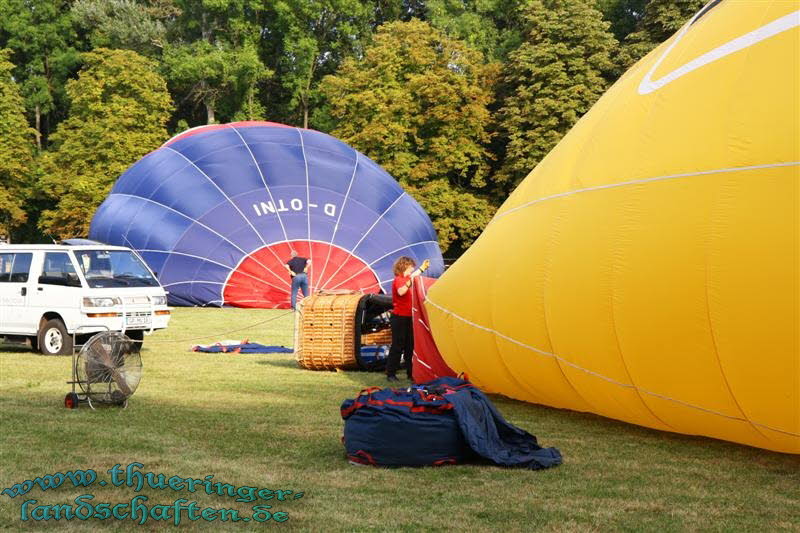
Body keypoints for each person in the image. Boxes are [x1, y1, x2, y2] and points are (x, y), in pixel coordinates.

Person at [386, 256, 429, 382]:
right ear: (405, 266)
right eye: (411, 267)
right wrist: (411, 280)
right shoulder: (399, 280)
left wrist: (422, 268)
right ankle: (391, 374)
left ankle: (411, 373)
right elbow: (401, 291)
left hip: (410, 317)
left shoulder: (406, 279)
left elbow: (413, 276)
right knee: (397, 346)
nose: (412, 269)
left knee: (410, 346)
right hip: (399, 318)